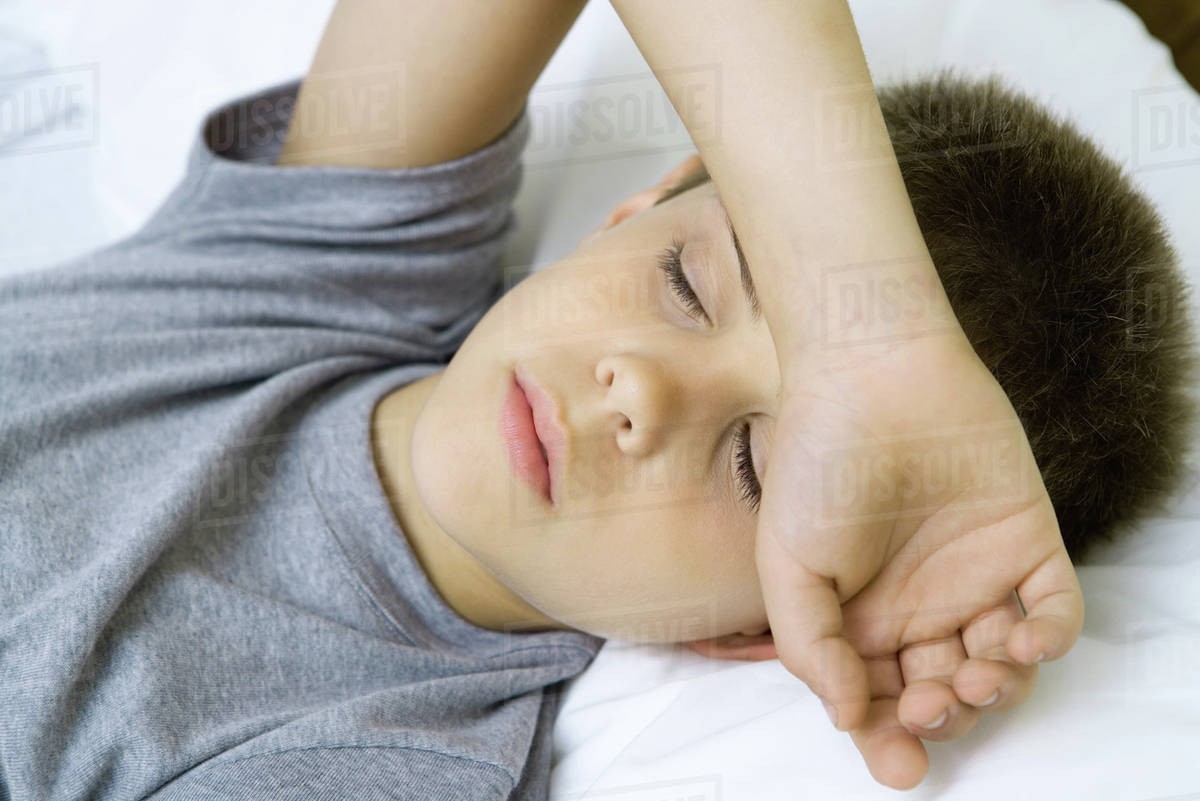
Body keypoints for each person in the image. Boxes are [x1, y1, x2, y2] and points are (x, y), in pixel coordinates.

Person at [0, 1, 1193, 799]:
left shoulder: (385, 757)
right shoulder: (315, 264)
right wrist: (863, 328)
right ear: (640, 207)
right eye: (686, 285)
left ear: (761, 630)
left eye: (755, 468)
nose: (643, 398)